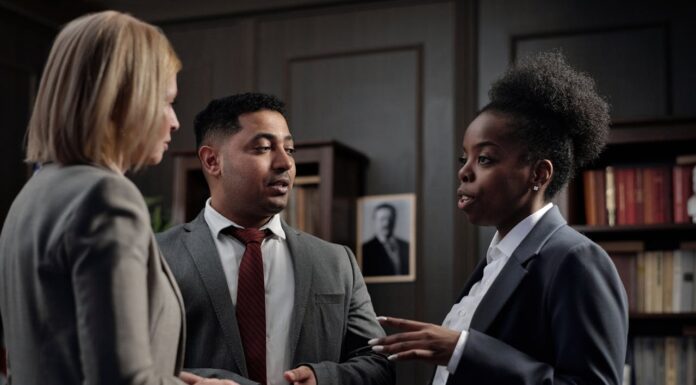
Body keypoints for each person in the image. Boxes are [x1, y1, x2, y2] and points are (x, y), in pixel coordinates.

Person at [0, 11, 237, 385]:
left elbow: (63, 357)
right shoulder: (106, 196)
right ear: (124, 100)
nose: (174, 121)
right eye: (166, 100)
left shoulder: (33, 195)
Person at [368, 52, 628, 384]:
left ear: (538, 173)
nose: (464, 171)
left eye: (486, 159)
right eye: (465, 158)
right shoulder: (495, 261)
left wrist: (463, 348)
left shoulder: (576, 259)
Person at [156, 92, 394, 385]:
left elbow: (379, 365)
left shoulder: (336, 261)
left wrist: (324, 378)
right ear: (212, 160)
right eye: (263, 148)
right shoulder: (158, 256)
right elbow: (130, 364)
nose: (285, 163)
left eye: (290, 150)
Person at [361, 203, 410, 276]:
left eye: (390, 219)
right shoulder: (365, 250)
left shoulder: (406, 246)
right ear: (374, 221)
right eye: (382, 219)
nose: (386, 223)